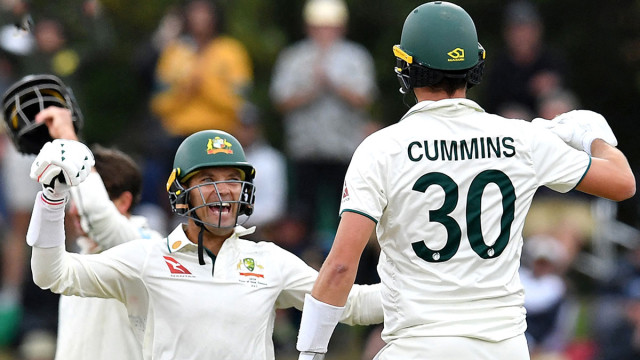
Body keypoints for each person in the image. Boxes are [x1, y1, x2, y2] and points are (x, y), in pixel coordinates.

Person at [294, 2, 635, 359]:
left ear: (406, 69)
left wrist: (310, 353)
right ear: (475, 66)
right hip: (505, 347)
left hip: (419, 346)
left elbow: (341, 266)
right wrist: (590, 136)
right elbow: (622, 182)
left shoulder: (381, 148)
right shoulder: (522, 138)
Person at [26, 129, 383, 359]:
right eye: (208, 179)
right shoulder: (147, 257)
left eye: (233, 179)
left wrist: (432, 287)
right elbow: (52, 274)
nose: (223, 190)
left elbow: (352, 304)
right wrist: (52, 198)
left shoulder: (271, 261)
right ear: (181, 193)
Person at [34, 105, 163, 360]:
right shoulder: (81, 254)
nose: (74, 211)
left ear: (124, 202)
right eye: (75, 199)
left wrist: (67, 137)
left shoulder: (146, 247)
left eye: (82, 196)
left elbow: (95, 213)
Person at [269, 0, 378, 251]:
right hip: (305, 149)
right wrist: (312, 88)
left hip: (344, 149)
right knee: (302, 213)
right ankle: (304, 263)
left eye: (330, 27)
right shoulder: (294, 57)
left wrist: (333, 82)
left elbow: (365, 98)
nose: (324, 33)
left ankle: (350, 263)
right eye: (319, 27)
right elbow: (281, 101)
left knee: (349, 211)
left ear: (341, 28)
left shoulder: (356, 57)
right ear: (309, 28)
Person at [483, 0, 568, 118]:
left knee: (557, 106)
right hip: (517, 119)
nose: (522, 35)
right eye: (517, 29)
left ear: (538, 30)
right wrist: (531, 87)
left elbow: (564, 88)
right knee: (512, 117)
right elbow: (494, 102)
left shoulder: (551, 58)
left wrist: (550, 85)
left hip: (545, 116)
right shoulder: (500, 64)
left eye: (527, 29)